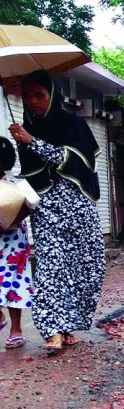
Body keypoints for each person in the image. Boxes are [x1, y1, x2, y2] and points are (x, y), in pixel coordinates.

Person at [8, 70, 105, 351]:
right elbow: (29, 171)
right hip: (47, 206)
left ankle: (68, 325)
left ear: (53, 95)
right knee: (51, 267)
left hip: (78, 204)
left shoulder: (72, 123)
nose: (33, 101)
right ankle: (51, 330)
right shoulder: (27, 128)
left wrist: (31, 142)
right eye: (27, 96)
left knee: (85, 265)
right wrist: (23, 142)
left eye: (39, 95)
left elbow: (73, 159)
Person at [0, 138, 34, 350]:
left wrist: (11, 220)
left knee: (14, 281)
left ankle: (16, 329)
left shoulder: (17, 183)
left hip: (12, 239)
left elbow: (30, 206)